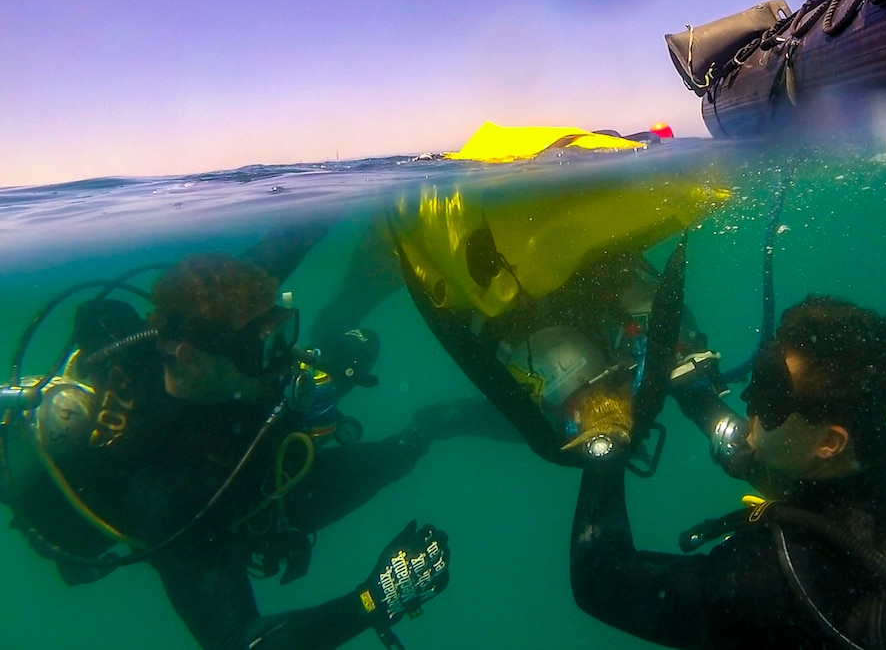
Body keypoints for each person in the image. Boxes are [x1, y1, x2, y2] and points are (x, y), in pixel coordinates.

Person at [0, 252, 510, 650]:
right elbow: (241, 644)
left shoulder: (195, 325)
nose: (286, 353)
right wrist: (372, 600)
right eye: (263, 344)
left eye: (282, 328)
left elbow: (276, 250)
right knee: (407, 447)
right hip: (251, 501)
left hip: (242, 421)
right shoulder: (173, 499)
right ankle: (435, 426)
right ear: (191, 359)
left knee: (354, 352)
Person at [569, 295, 886, 649]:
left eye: (770, 393)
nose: (749, 396)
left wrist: (606, 442)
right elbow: (758, 454)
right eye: (761, 374)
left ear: (829, 442)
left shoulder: (769, 578)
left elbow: (599, 582)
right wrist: (694, 397)